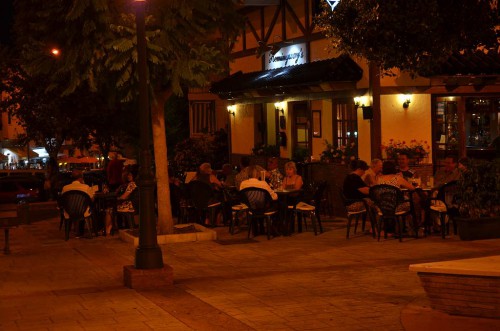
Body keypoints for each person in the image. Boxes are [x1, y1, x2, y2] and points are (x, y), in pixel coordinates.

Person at [61, 169, 96, 236]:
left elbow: (63, 201)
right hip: (83, 211)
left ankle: (75, 230)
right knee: (92, 208)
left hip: (69, 211)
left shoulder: (65, 188)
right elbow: (92, 200)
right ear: (81, 177)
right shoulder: (85, 187)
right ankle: (95, 229)